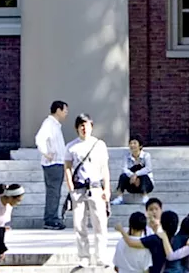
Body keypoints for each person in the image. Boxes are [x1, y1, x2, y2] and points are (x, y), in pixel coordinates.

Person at [64, 113, 110, 268]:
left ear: (92, 127)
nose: (84, 128)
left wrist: (107, 188)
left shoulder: (99, 145)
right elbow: (68, 168)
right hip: (79, 188)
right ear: (77, 128)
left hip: (96, 187)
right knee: (79, 224)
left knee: (100, 223)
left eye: (87, 125)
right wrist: (70, 187)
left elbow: (105, 168)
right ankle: (83, 256)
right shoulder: (71, 146)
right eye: (81, 125)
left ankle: (101, 256)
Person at [34, 100, 68, 230]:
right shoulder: (49, 124)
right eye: (65, 110)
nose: (66, 113)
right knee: (54, 192)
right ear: (58, 110)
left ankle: (52, 218)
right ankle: (51, 219)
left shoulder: (55, 125)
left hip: (57, 163)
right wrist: (46, 153)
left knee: (54, 192)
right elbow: (39, 138)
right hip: (53, 164)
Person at [113, 137, 155, 205]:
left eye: (135, 143)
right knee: (123, 176)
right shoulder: (126, 156)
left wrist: (136, 174)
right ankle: (119, 197)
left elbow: (148, 168)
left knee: (144, 175)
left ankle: (145, 197)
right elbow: (124, 169)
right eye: (131, 143)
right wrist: (132, 176)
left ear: (140, 146)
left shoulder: (146, 155)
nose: (132, 145)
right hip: (132, 183)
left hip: (146, 184)